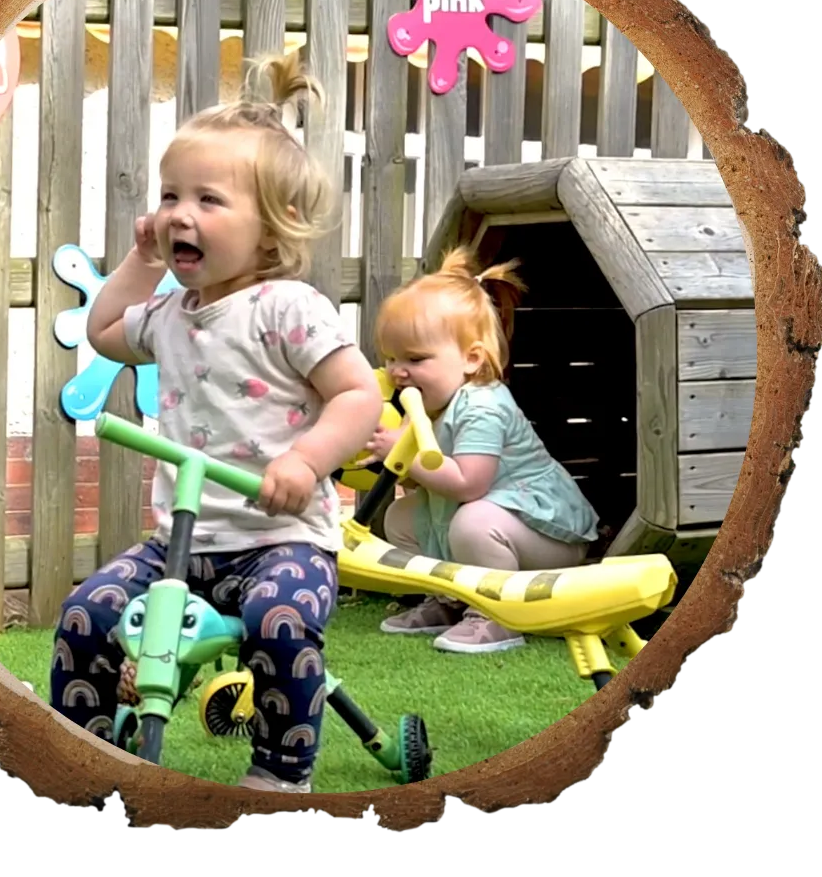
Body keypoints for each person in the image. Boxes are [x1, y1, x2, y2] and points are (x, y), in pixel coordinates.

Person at [49, 54, 383, 794]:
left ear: (274, 227)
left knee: (280, 621)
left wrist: (306, 461)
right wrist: (139, 260)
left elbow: (359, 396)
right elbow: (103, 333)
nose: (179, 215)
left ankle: (278, 774)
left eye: (208, 199)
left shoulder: (287, 309)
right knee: (87, 613)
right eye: (170, 196)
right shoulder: (169, 313)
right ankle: (85, 758)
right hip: (183, 543)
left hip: (280, 540)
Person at [359, 247, 600, 655]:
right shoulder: (423, 404)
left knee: (473, 521)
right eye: (391, 358)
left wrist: (409, 459)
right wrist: (389, 460)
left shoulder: (483, 406)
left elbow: (469, 484)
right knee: (399, 518)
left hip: (544, 533)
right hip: (487, 524)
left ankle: (497, 615)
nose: (398, 371)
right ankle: (449, 602)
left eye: (416, 359)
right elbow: (417, 480)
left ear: (471, 359)